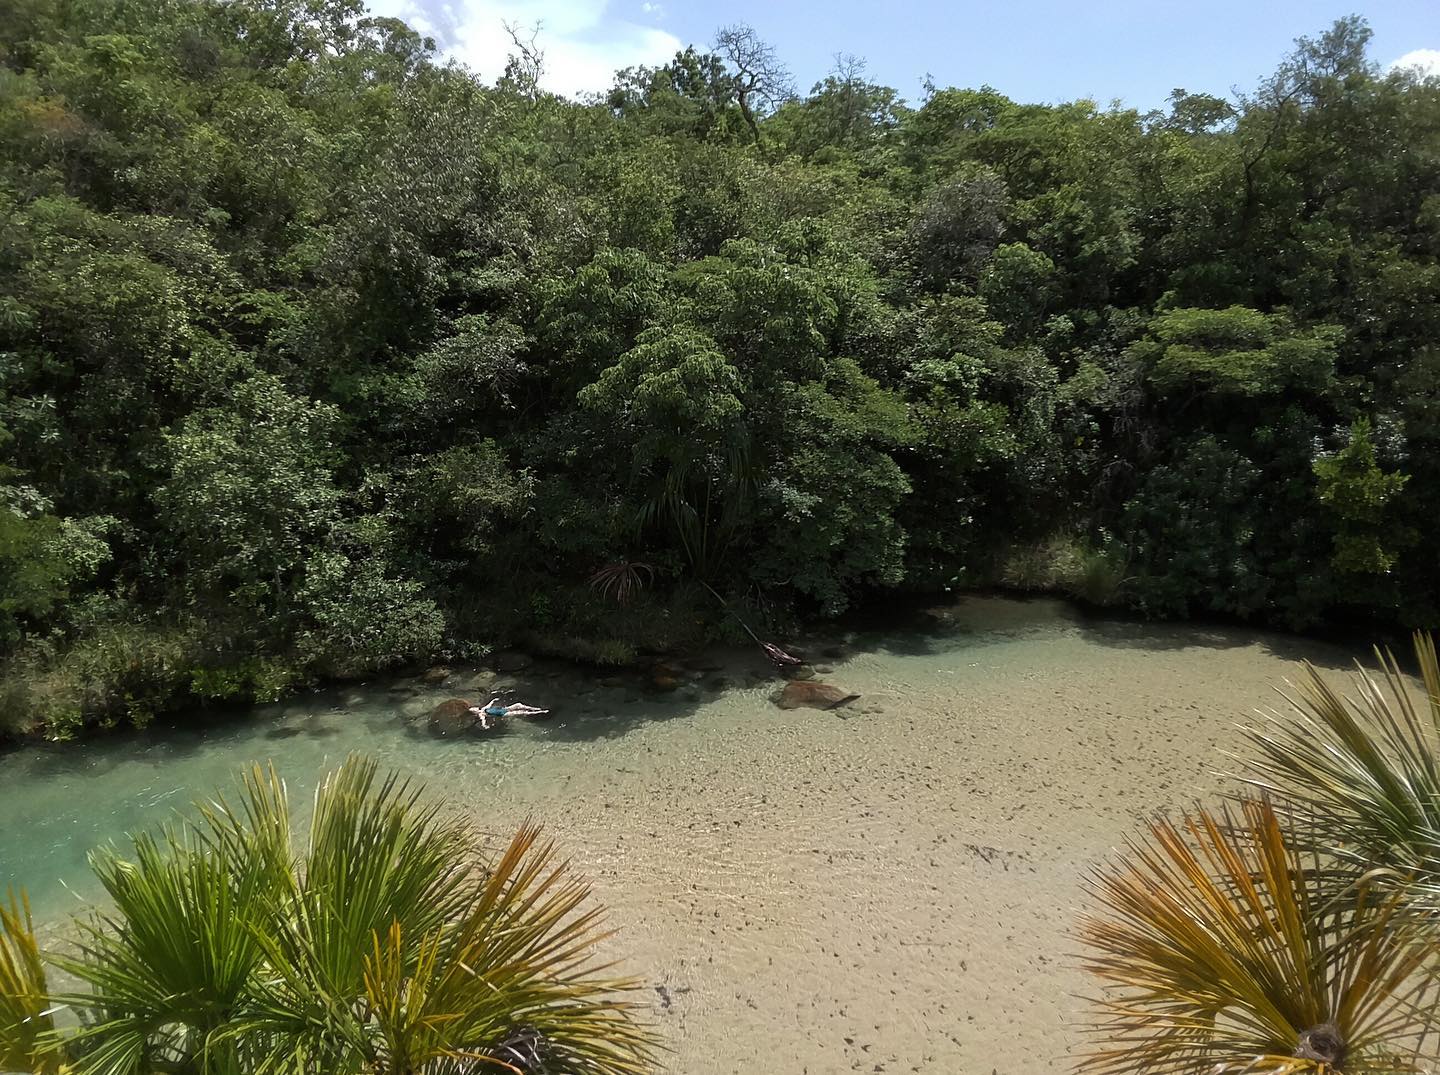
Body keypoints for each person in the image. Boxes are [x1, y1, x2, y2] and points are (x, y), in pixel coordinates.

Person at [471, 697, 550, 729]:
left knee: (518, 704)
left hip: (504, 709)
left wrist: (494, 700)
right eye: (474, 709)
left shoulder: (484, 708)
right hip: (503, 714)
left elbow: (490, 704)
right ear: (475, 712)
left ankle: (536, 708)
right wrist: (485, 726)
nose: (475, 708)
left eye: (475, 708)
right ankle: (541, 711)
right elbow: (483, 721)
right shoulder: (481, 714)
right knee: (521, 712)